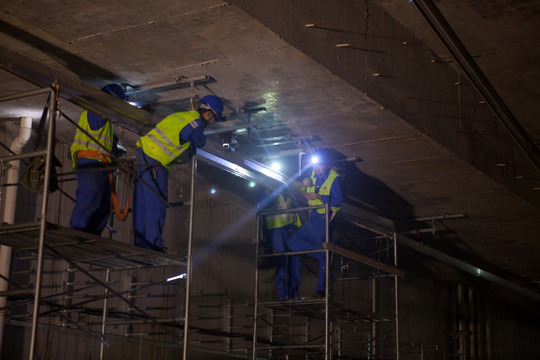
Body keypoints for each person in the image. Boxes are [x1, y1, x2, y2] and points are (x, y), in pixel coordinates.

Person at [133, 95, 224, 251]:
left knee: (142, 202)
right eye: (214, 119)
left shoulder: (182, 116)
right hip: (156, 160)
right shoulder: (198, 124)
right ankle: (152, 244)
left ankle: (141, 243)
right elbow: (200, 141)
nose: (212, 122)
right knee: (156, 204)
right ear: (209, 113)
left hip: (143, 154)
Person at [287, 148, 344, 298]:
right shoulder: (313, 174)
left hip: (323, 221)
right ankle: (322, 254)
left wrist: (318, 196)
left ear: (328, 165)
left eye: (320, 165)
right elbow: (306, 188)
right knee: (292, 242)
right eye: (314, 166)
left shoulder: (334, 178)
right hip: (312, 219)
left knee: (320, 253)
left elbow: (337, 202)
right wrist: (304, 184)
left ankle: (321, 289)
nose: (316, 169)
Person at [69, 83, 126, 235]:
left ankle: (93, 234)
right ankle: (78, 232)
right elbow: (104, 115)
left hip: (101, 164)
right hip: (91, 162)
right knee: (90, 198)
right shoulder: (94, 110)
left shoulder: (104, 121)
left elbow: (106, 140)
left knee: (103, 204)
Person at [258, 188, 301, 301]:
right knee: (282, 260)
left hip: (290, 228)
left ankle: (294, 293)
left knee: (294, 261)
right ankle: (284, 294)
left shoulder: (287, 189)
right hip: (275, 229)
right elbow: (264, 204)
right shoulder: (267, 187)